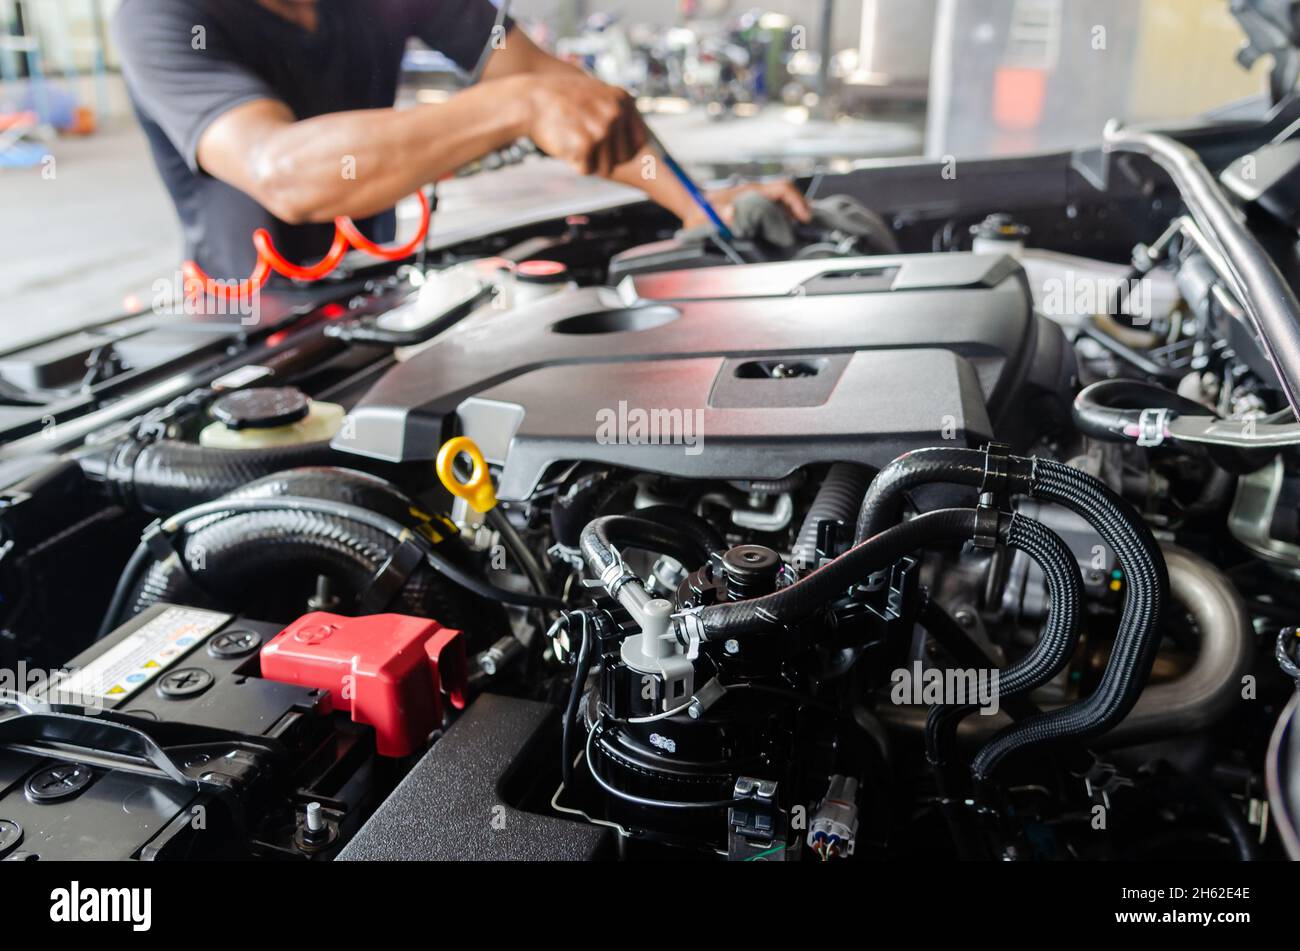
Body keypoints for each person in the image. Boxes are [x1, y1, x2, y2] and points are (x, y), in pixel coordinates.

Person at [112, 0, 811, 282]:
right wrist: (511, 105)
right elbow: (284, 172)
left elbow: (565, 96)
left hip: (379, 298)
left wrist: (693, 203)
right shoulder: (161, 15)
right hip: (244, 340)